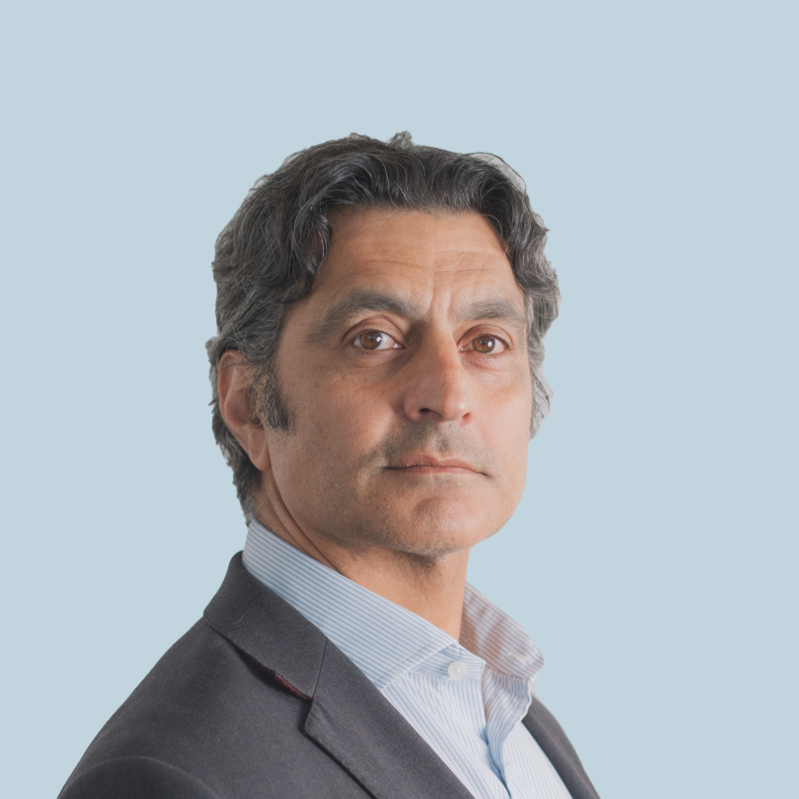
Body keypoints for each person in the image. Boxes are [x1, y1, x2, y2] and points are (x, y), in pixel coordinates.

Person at [59, 133, 601, 799]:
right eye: (373, 338)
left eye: (485, 342)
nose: (448, 393)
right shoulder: (171, 775)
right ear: (247, 404)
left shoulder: (513, 717)